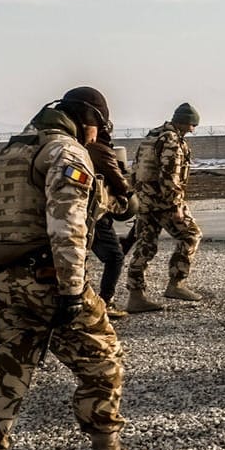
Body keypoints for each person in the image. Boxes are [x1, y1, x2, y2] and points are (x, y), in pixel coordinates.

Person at [0, 86, 153, 450]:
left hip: (5, 279)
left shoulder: (14, 152)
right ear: (89, 122)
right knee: (103, 359)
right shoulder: (67, 153)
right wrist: (72, 290)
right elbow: (67, 223)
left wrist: (114, 192)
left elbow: (15, 213)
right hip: (48, 278)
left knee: (2, 373)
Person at [125, 102, 203, 311]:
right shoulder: (171, 140)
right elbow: (170, 175)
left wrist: (140, 195)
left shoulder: (151, 137)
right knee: (191, 235)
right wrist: (176, 204)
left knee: (145, 246)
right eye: (192, 125)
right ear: (186, 122)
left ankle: (136, 295)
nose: (193, 130)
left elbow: (135, 169)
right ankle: (176, 283)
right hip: (164, 202)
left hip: (145, 200)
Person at [84, 135, 136, 317]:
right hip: (94, 213)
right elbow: (119, 181)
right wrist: (126, 189)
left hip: (75, 212)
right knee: (115, 257)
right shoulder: (98, 149)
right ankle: (105, 303)